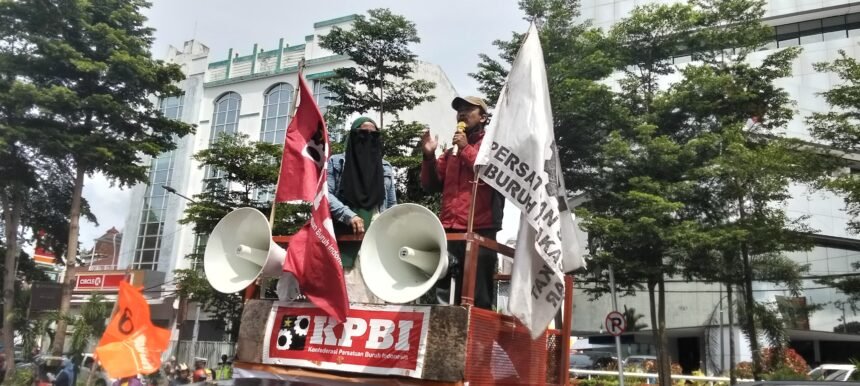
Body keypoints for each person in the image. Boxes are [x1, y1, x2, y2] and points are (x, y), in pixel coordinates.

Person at [420, 96, 504, 310]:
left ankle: (477, 332)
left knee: (478, 294)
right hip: (450, 230)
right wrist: (428, 157)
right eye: (459, 110)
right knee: (445, 291)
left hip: (480, 230)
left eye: (469, 109)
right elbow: (430, 185)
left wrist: (466, 148)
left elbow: (491, 175)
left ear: (483, 117)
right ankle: (443, 330)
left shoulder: (493, 148)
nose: (462, 114)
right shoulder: (451, 153)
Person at [328, 116, 397, 303]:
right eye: (363, 133)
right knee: (350, 287)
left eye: (374, 134)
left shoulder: (385, 167)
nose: (369, 137)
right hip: (345, 232)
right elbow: (326, 195)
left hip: (376, 232)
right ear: (353, 135)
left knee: (375, 287)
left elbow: (392, 205)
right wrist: (349, 216)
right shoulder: (337, 162)